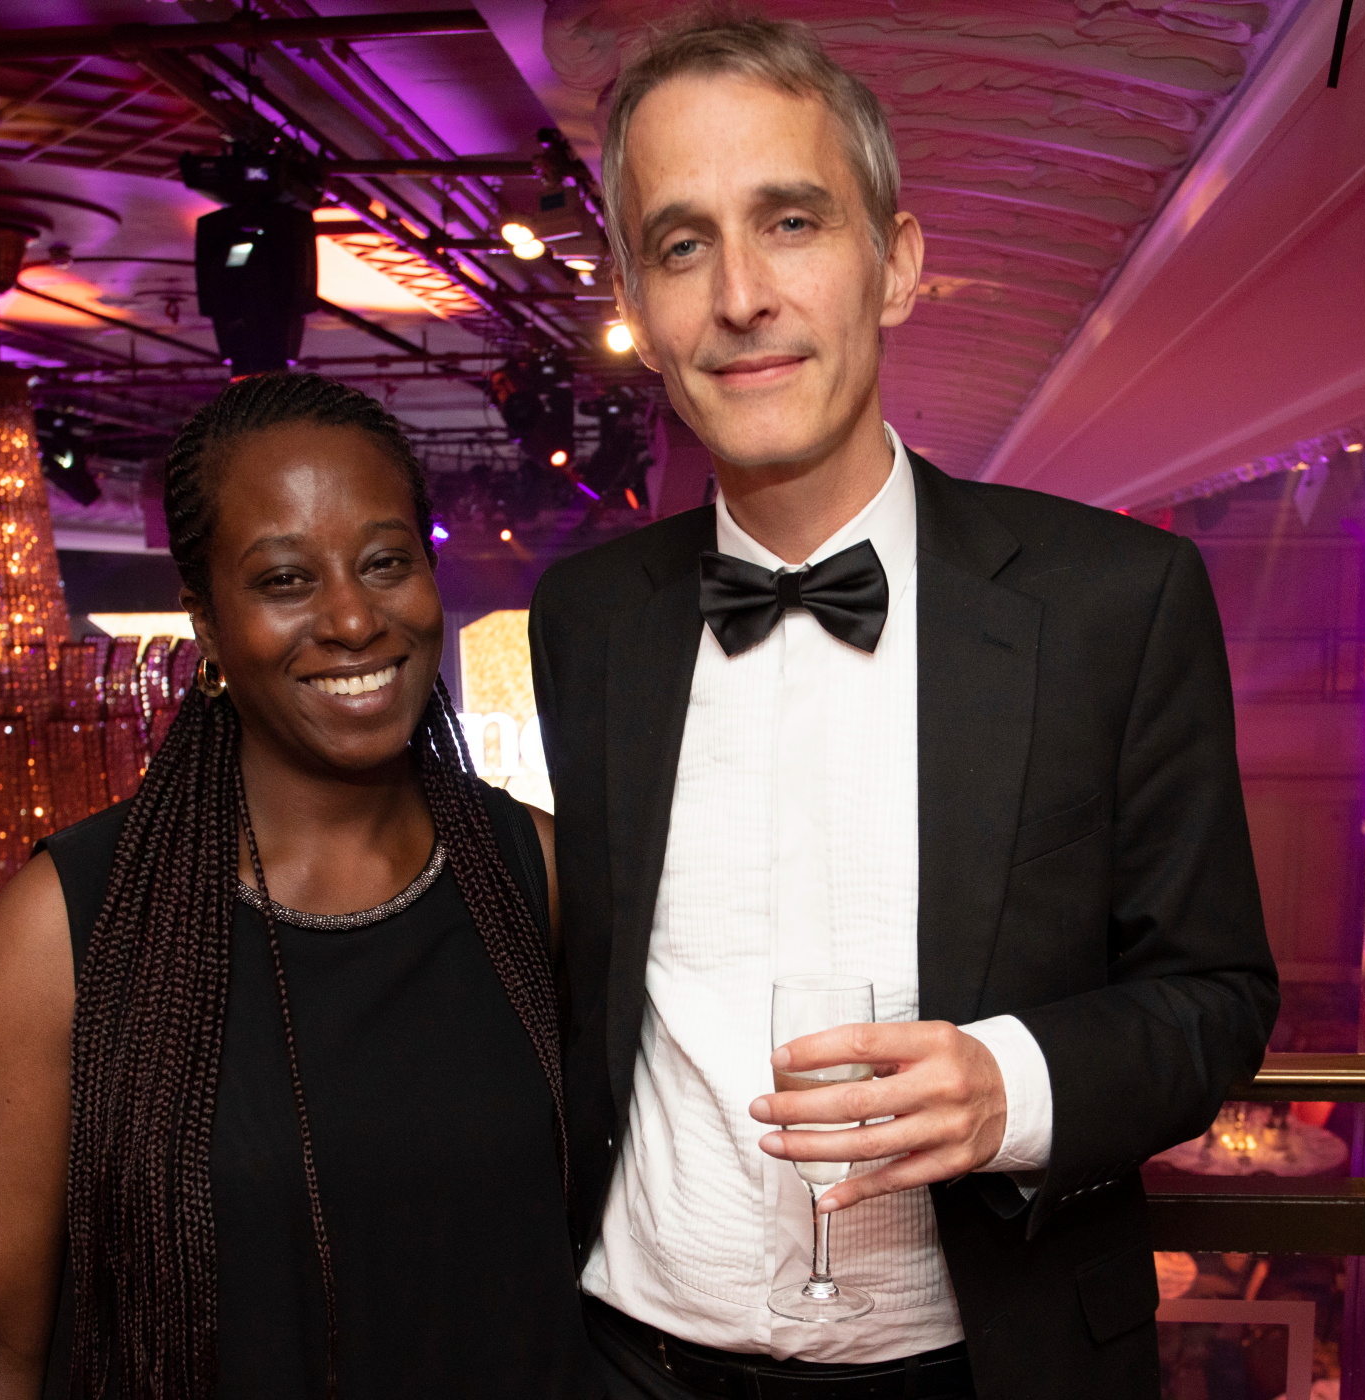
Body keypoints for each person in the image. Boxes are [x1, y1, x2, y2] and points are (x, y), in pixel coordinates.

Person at [529, 15, 1279, 1400]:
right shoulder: (588, 619)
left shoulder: (1116, 602)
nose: (740, 295)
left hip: (977, 1369)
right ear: (639, 298)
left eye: (792, 222)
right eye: (683, 244)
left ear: (897, 263)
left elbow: (1217, 996)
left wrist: (1014, 1086)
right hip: (627, 1357)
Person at [0, 374, 599, 1400]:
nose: (353, 617)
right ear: (209, 625)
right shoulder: (66, 929)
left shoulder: (535, 873)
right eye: (285, 579)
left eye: (386, 562)